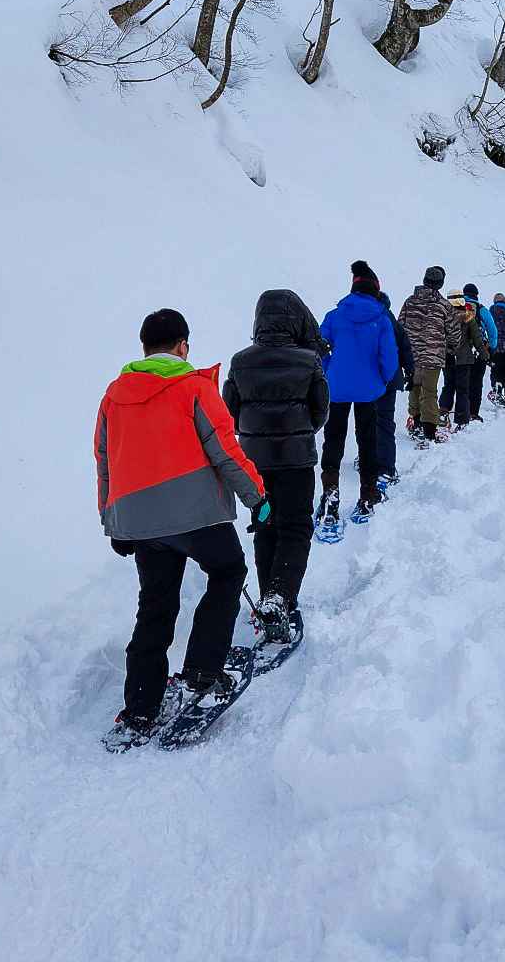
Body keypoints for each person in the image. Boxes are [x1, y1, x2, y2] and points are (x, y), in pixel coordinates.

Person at [96, 308, 267, 741]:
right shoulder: (193, 388)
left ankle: (139, 708)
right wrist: (258, 499)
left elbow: (105, 462)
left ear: (144, 348)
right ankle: (202, 674)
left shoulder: (114, 394)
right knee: (228, 572)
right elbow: (225, 451)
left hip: (141, 523)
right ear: (182, 346)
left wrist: (113, 522)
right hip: (196, 516)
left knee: (155, 605)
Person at [223, 290, 329, 642]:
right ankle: (280, 597)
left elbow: (231, 414)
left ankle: (271, 595)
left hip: (256, 464)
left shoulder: (240, 362)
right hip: (297, 461)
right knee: (297, 527)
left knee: (266, 523)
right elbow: (320, 411)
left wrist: (253, 435)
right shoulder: (308, 360)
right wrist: (300, 432)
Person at [319, 261, 400, 523]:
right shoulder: (381, 318)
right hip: (369, 390)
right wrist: (382, 379)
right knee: (368, 440)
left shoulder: (334, 316)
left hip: (337, 387)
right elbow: (389, 358)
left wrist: (329, 371)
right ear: (375, 289)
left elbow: (319, 349)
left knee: (333, 439)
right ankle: (367, 494)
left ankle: (330, 493)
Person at [399, 265, 459, 443]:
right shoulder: (444, 306)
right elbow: (454, 333)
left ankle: (415, 424)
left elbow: (399, 326)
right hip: (433, 357)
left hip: (412, 356)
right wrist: (450, 349)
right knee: (429, 392)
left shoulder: (410, 302)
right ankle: (429, 432)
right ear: (440, 284)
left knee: (415, 388)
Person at [375, 282, 412, 485]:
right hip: (389, 378)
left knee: (367, 421)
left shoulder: (364, 318)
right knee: (385, 422)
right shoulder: (389, 318)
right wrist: (410, 370)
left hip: (367, 380)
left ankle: (370, 459)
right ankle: (387, 467)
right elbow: (404, 344)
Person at [441, 292, 491, 426]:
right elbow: (477, 340)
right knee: (463, 389)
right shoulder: (469, 317)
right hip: (464, 359)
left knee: (448, 385)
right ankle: (461, 419)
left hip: (447, 357)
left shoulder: (443, 316)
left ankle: (443, 412)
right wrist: (485, 355)